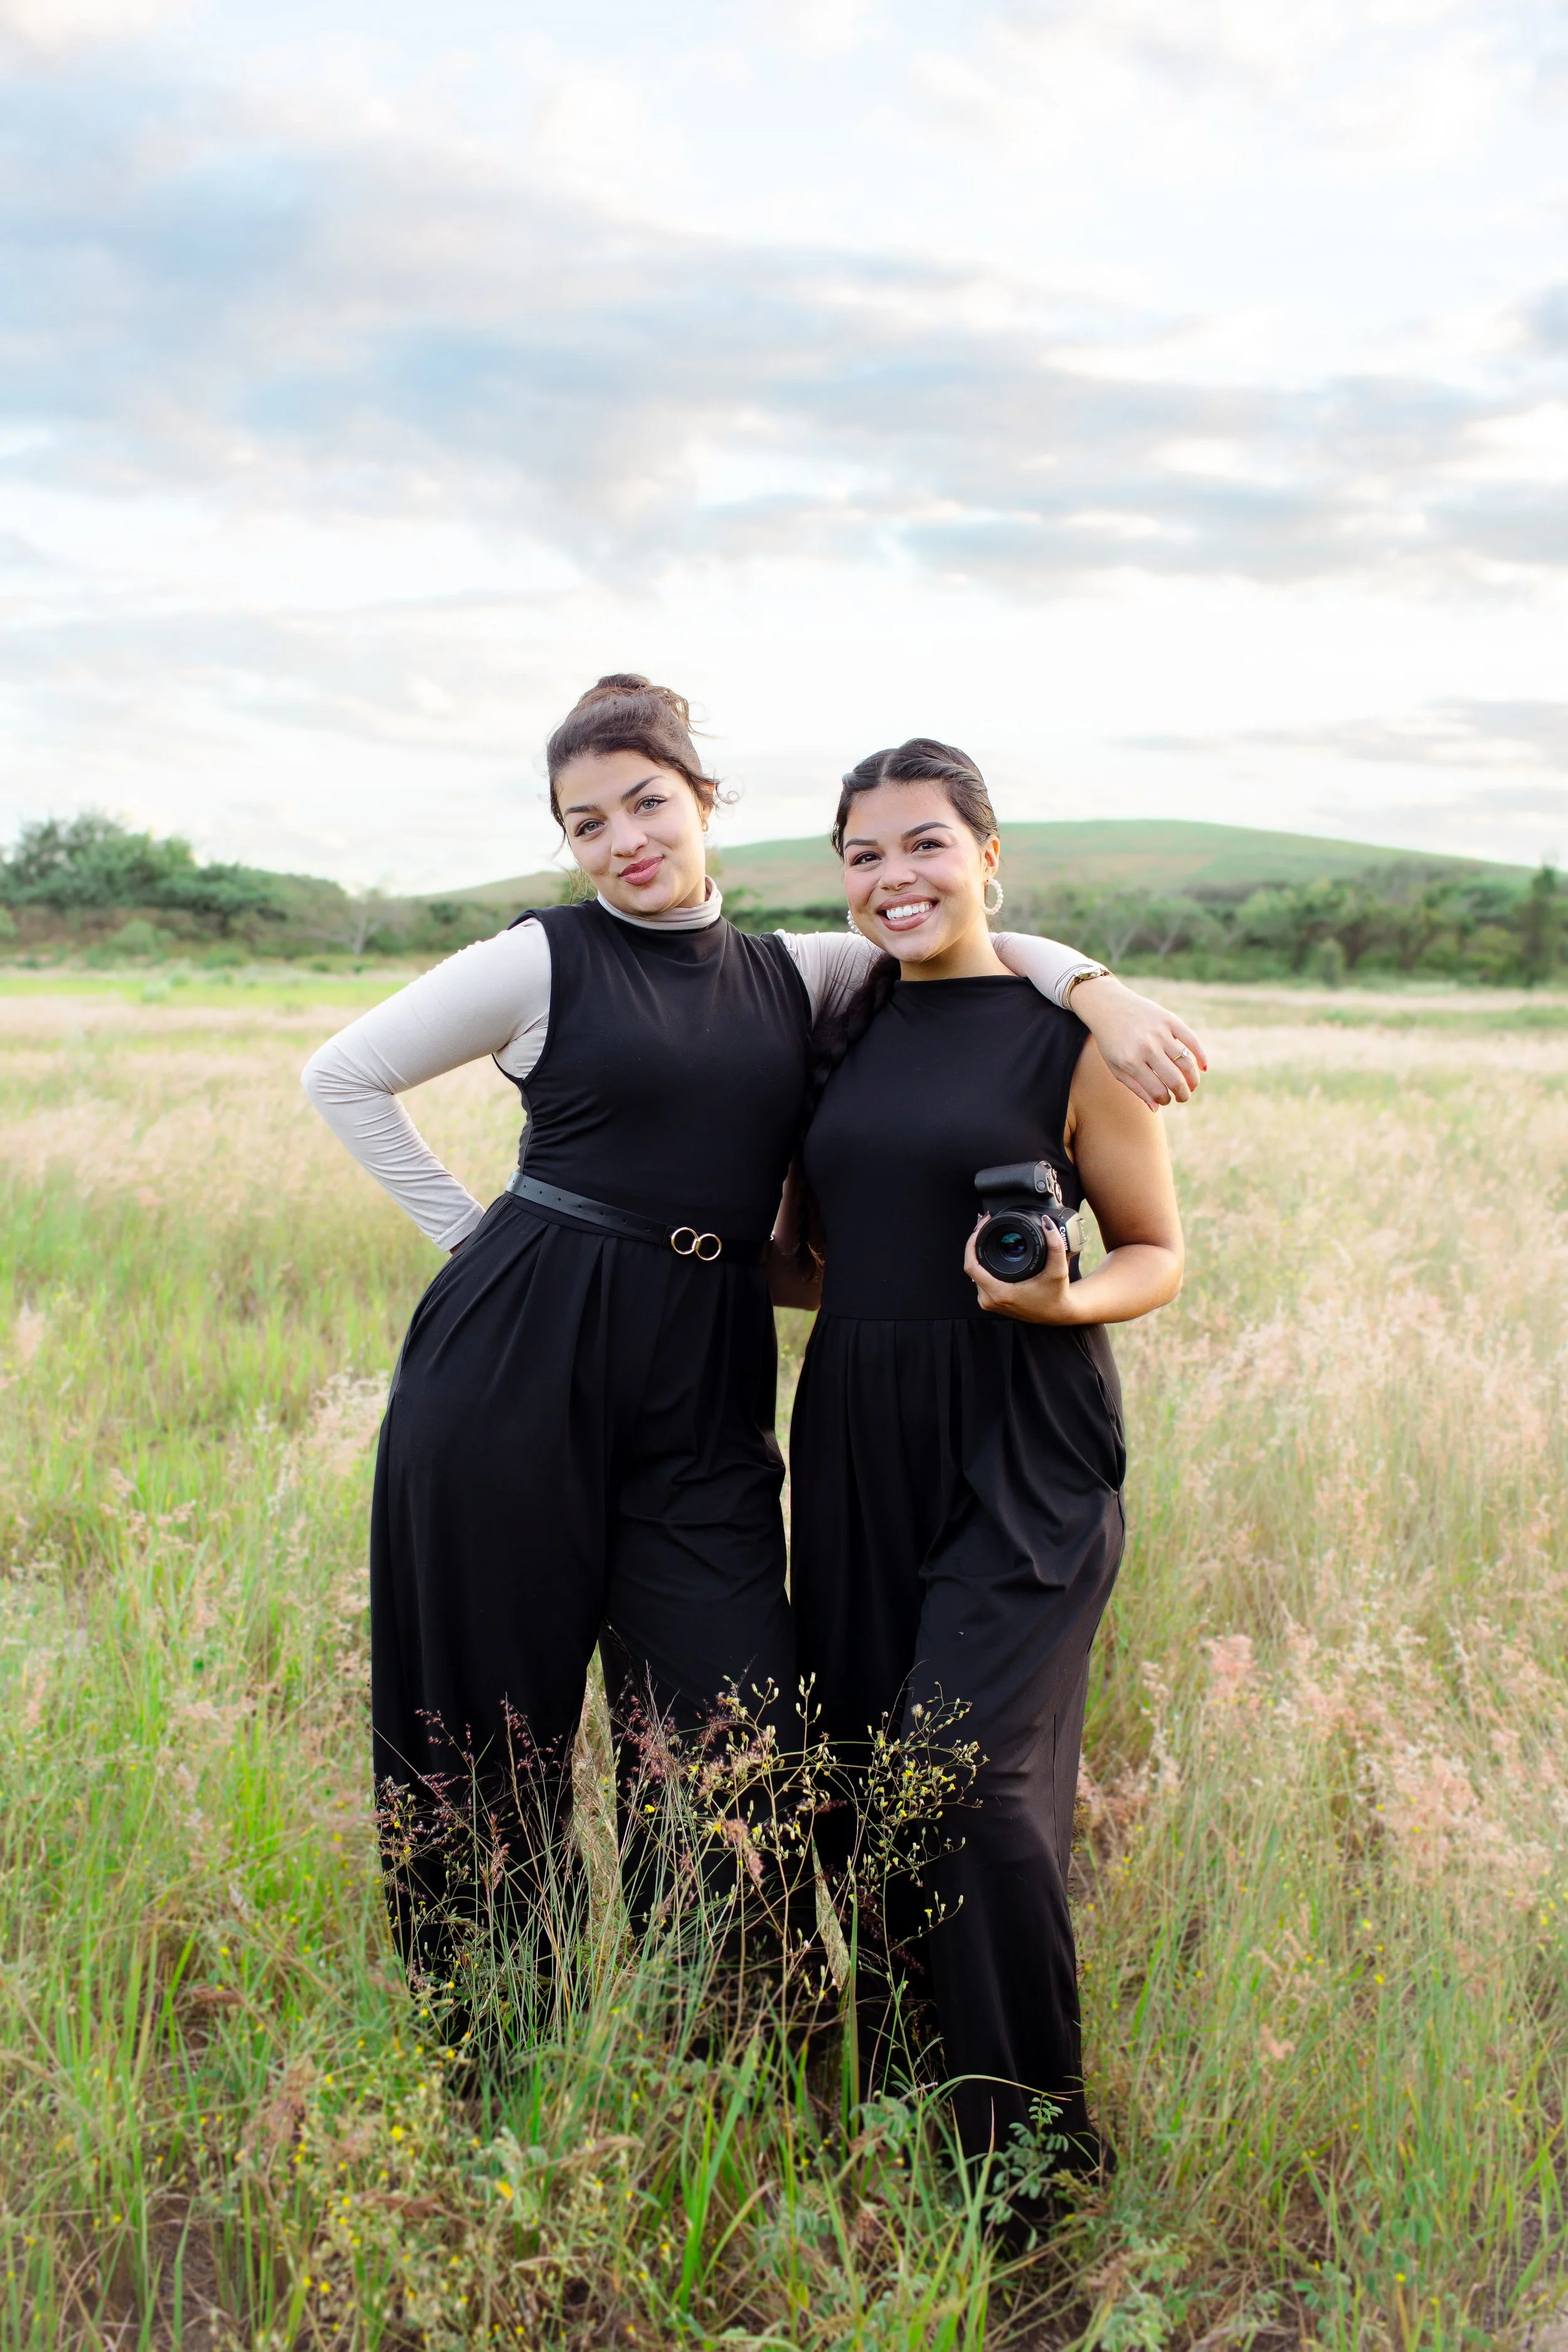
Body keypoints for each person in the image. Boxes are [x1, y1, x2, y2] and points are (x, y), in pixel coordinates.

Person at [300, 677, 1202, 2006]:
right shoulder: (544, 955)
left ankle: (721, 2033)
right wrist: (480, 1245)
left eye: (647, 803)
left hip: (703, 1369)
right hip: (512, 1362)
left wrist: (1097, 989)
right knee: (488, 1716)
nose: (624, 842)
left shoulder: (800, 969)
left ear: (704, 801)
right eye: (585, 822)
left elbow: (947, 944)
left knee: (734, 1722)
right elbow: (343, 1076)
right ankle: (497, 2047)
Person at [787, 737, 1184, 2204]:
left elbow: (1153, 1249)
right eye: (863, 852)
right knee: (858, 1777)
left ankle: (1028, 2164)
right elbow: (808, 1247)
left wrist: (1061, 1300)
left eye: (925, 844)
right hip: (850, 1430)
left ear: (986, 857)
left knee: (965, 1781)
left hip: (1025, 1428)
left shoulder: (1064, 1034)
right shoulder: (834, 1021)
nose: (893, 877)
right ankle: (905, 2085)